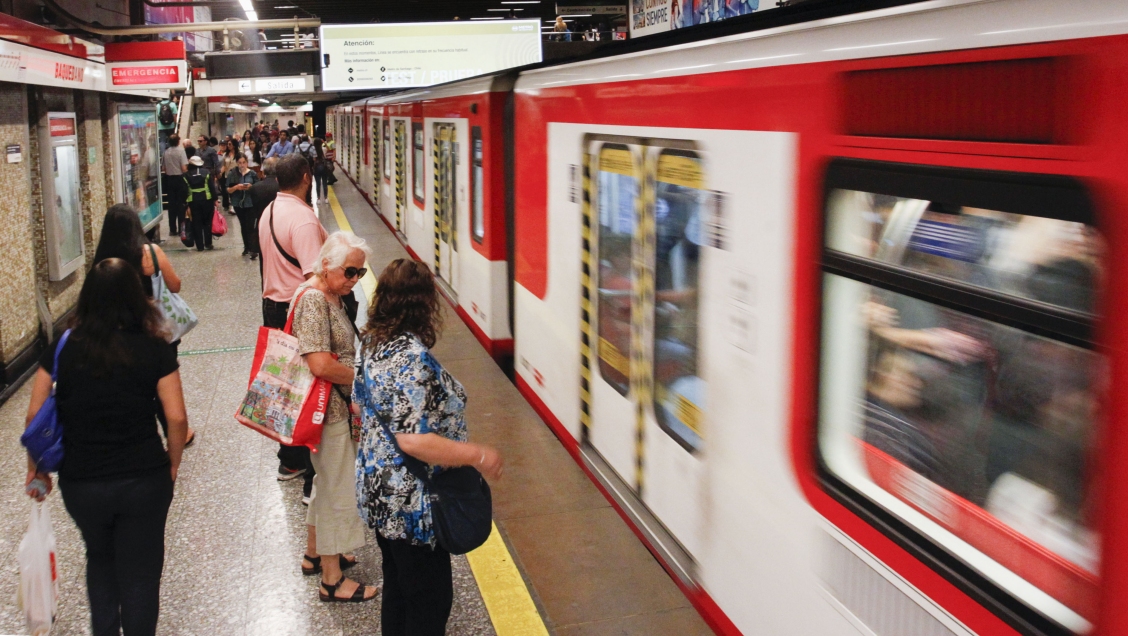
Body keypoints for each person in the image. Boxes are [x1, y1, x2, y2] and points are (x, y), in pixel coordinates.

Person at [24, 258, 188, 636]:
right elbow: (176, 417)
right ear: (136, 297)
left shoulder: (63, 346)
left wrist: (36, 469)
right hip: (143, 478)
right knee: (141, 570)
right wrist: (173, 463)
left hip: (81, 481)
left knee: (99, 558)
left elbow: (35, 414)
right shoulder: (154, 345)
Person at [355, 259, 504, 635]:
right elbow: (413, 440)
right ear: (423, 305)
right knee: (429, 600)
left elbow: (359, 403)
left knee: (400, 588)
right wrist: (480, 455)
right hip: (412, 504)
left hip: (378, 490)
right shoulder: (410, 358)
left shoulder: (371, 340)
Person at [290, 231, 377, 603]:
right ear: (326, 265)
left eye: (360, 272)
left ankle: (315, 553)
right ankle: (332, 578)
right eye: (350, 271)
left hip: (330, 409)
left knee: (326, 483)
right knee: (336, 489)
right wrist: (360, 378)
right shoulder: (314, 300)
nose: (355, 279)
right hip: (328, 413)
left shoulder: (328, 293)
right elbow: (321, 364)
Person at [92, 203, 196, 445]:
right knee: (163, 382)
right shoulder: (150, 252)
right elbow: (175, 285)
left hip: (115, 332)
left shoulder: (102, 259)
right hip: (153, 329)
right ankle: (176, 431)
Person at [259, 154, 327, 495]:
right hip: (296, 310)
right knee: (309, 389)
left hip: (273, 306)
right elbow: (315, 279)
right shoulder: (302, 219)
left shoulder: (270, 211)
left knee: (286, 386)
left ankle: (290, 459)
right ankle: (312, 477)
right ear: (306, 176)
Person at [246, 157, 280, 259]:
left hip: (262, 226)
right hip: (280, 226)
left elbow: (253, 209)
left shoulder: (255, 188)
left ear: (264, 170)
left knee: (264, 258)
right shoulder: (283, 186)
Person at [227, 155, 260, 258]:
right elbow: (228, 189)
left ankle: (252, 248)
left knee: (250, 226)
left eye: (243, 162)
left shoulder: (252, 173)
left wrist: (251, 187)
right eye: (240, 163)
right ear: (237, 163)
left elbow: (258, 187)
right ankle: (246, 247)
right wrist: (236, 187)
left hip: (250, 203)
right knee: (243, 225)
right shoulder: (232, 173)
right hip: (238, 203)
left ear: (247, 163)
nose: (242, 165)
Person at [184, 155, 217, 251]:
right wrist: (215, 199)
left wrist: (185, 204)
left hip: (193, 201)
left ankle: (199, 246)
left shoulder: (186, 175)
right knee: (207, 222)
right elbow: (211, 187)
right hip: (207, 199)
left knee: (196, 223)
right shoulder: (207, 172)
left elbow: (184, 190)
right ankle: (208, 243)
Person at [161, 133, 188, 237]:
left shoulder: (166, 152)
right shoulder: (181, 151)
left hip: (169, 180)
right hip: (179, 179)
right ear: (178, 141)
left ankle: (172, 229)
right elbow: (184, 168)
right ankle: (182, 228)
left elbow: (164, 168)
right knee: (181, 205)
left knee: (171, 206)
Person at [220, 141, 239, 215]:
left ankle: (234, 206)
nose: (228, 146)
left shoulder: (239, 154)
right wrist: (220, 173)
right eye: (228, 144)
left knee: (235, 190)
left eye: (230, 144)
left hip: (236, 175)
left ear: (234, 145)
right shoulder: (226, 154)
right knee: (227, 190)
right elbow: (223, 165)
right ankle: (228, 205)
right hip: (227, 174)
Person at [312, 138, 330, 203]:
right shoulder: (324, 149)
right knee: (325, 183)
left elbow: (314, 159)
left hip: (316, 168)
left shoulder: (313, 150)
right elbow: (329, 149)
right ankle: (326, 198)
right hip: (324, 167)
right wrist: (324, 143)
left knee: (318, 183)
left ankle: (318, 199)